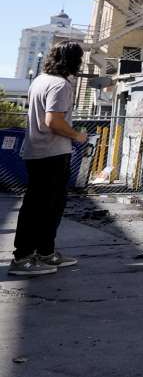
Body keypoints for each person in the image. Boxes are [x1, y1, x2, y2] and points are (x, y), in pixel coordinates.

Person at [9, 41, 87, 277]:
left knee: (44, 206)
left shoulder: (40, 81)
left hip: (37, 151)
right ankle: (23, 258)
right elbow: (53, 121)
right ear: (73, 61)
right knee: (42, 208)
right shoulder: (60, 85)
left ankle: (45, 252)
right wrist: (77, 136)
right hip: (52, 154)